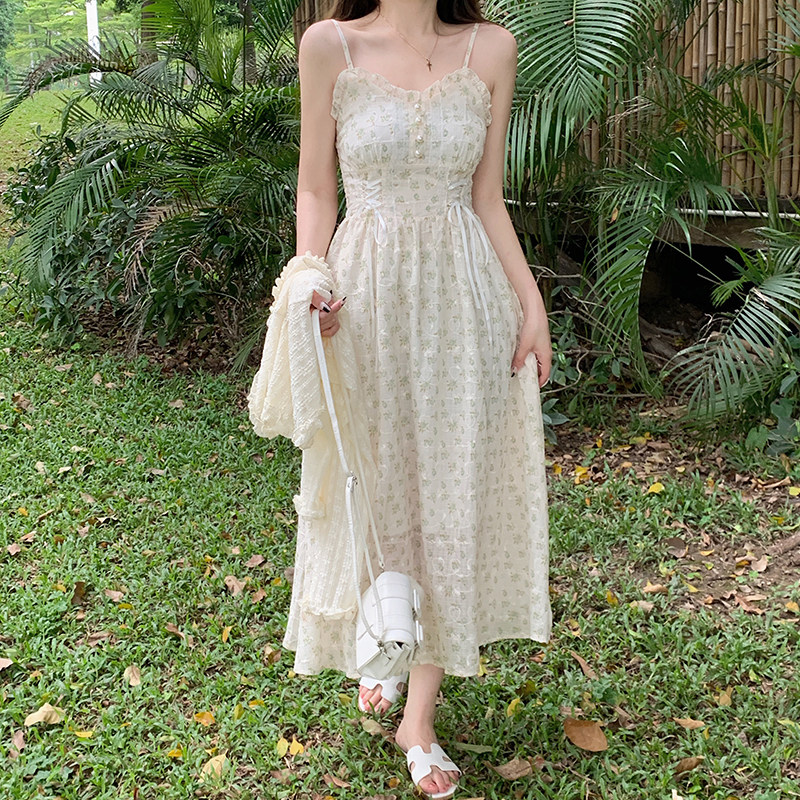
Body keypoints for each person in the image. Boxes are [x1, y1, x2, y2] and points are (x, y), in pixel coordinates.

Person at [284, 1, 552, 796]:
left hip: (464, 306)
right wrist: (311, 278)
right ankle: (387, 637)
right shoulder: (329, 46)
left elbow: (487, 197)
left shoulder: (491, 49)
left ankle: (418, 719)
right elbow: (316, 188)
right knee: (379, 490)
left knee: (450, 493)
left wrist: (530, 302)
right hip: (363, 305)